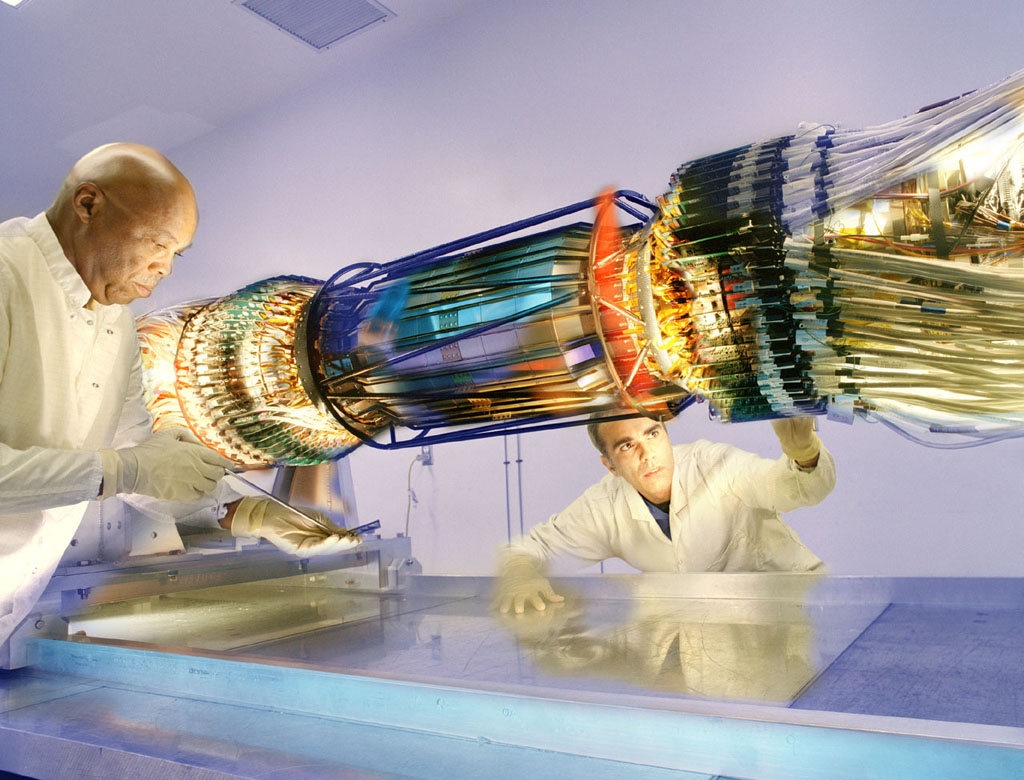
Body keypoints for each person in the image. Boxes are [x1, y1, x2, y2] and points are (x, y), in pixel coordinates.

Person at [0, 143, 348, 648]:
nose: (164, 269)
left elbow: (136, 454)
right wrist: (127, 468)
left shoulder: (114, 322)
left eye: (175, 254)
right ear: (88, 205)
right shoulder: (7, 275)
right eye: (156, 243)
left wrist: (242, 511)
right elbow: (126, 467)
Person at [496, 413, 836, 614]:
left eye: (653, 434)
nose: (647, 454)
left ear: (667, 436)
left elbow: (795, 489)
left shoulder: (716, 464)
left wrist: (804, 452)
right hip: (721, 632)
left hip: (803, 607)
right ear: (610, 465)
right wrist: (519, 574)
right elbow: (533, 546)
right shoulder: (604, 504)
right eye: (627, 445)